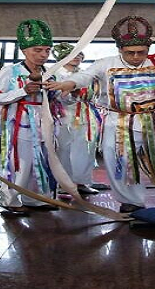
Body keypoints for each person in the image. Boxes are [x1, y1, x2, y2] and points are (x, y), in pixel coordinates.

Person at [46, 15, 155, 213]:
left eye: (141, 52)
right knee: (120, 161)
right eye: (130, 53)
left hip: (153, 120)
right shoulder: (106, 63)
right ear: (120, 50)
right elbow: (85, 76)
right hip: (119, 122)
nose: (135, 57)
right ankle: (131, 201)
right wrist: (69, 83)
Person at [0, 19, 59, 213]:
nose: (43, 55)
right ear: (25, 50)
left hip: (45, 122)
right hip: (20, 123)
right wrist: (22, 91)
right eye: (37, 50)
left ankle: (36, 198)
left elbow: (56, 99)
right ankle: (9, 200)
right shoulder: (11, 71)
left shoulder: (50, 73)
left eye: (46, 50)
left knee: (42, 160)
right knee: (20, 161)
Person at [52, 42, 100, 195]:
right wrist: (73, 94)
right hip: (63, 117)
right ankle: (64, 184)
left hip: (86, 116)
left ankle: (82, 182)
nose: (77, 57)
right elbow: (55, 96)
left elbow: (94, 94)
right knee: (64, 150)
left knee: (86, 149)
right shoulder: (55, 74)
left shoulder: (86, 74)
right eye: (73, 54)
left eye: (80, 54)